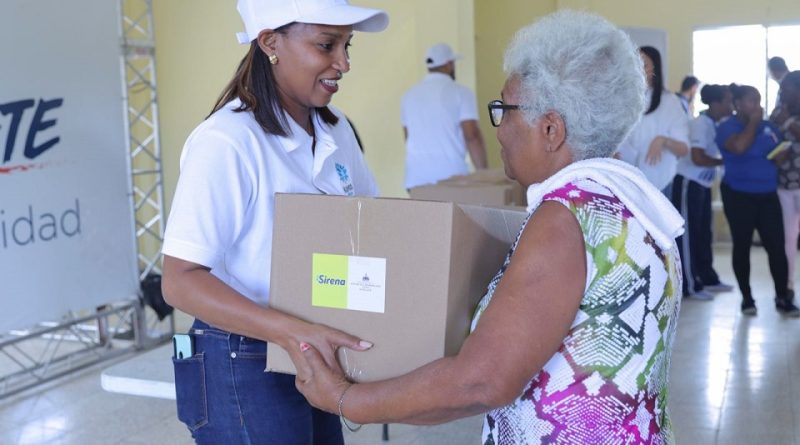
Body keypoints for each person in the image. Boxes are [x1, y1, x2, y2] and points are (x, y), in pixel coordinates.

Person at [291, 11, 684, 444]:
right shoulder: (630, 203)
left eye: (505, 110)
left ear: (551, 129)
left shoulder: (565, 218)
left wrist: (344, 399)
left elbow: (481, 381)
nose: (498, 131)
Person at [160, 0, 388, 443]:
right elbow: (180, 280)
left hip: (313, 348)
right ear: (270, 43)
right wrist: (291, 332)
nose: (343, 63)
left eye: (347, 45)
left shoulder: (336, 129)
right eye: (327, 45)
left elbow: (371, 226)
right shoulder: (227, 142)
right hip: (240, 357)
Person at [715, 83, 798, 316]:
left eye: (759, 100)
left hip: (768, 195)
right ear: (738, 104)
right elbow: (739, 147)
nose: (757, 106)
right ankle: (747, 299)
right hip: (738, 195)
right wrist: (753, 122)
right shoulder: (727, 127)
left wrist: (781, 155)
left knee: (776, 248)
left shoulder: (770, 128)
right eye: (752, 101)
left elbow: (777, 157)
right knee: (742, 246)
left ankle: (783, 297)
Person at [672, 84, 735, 300]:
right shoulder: (700, 124)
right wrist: (726, 160)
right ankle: (689, 285)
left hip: (703, 184)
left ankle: (707, 277)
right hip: (689, 183)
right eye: (728, 101)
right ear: (715, 104)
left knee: (703, 233)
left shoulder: (715, 123)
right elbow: (698, 157)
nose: (731, 105)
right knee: (689, 235)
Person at [401, 43, 488, 189]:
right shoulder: (461, 92)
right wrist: (484, 175)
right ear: (449, 64)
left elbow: (408, 137)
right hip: (451, 179)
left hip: (415, 180)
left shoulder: (408, 96)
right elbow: (472, 135)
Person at [617, 46, 690, 195]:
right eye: (634, 63)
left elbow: (684, 149)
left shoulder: (670, 102)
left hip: (659, 185)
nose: (638, 69)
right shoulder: (622, 99)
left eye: (644, 64)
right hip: (626, 183)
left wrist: (663, 140)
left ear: (655, 69)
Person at [771, 71, 800, 314]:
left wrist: (789, 123)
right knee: (787, 242)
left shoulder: (786, 116)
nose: (784, 93)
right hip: (783, 185)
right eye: (783, 89)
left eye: (789, 89)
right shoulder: (778, 112)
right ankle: (786, 290)